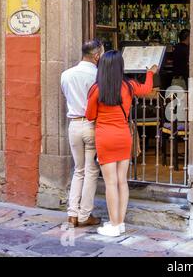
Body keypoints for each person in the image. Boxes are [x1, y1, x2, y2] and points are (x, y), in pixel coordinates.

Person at [86, 50, 158, 237]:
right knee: (122, 181)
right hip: (123, 136)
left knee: (110, 183)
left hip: (105, 136)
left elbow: (89, 115)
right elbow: (147, 89)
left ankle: (113, 224)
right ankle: (121, 222)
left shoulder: (96, 89)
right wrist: (150, 73)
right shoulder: (129, 85)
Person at [61, 39, 105, 228]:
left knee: (78, 170)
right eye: (101, 53)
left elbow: (67, 97)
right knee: (91, 171)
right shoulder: (98, 75)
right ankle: (84, 214)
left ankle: (72, 213)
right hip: (91, 124)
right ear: (96, 56)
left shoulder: (66, 74)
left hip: (74, 125)